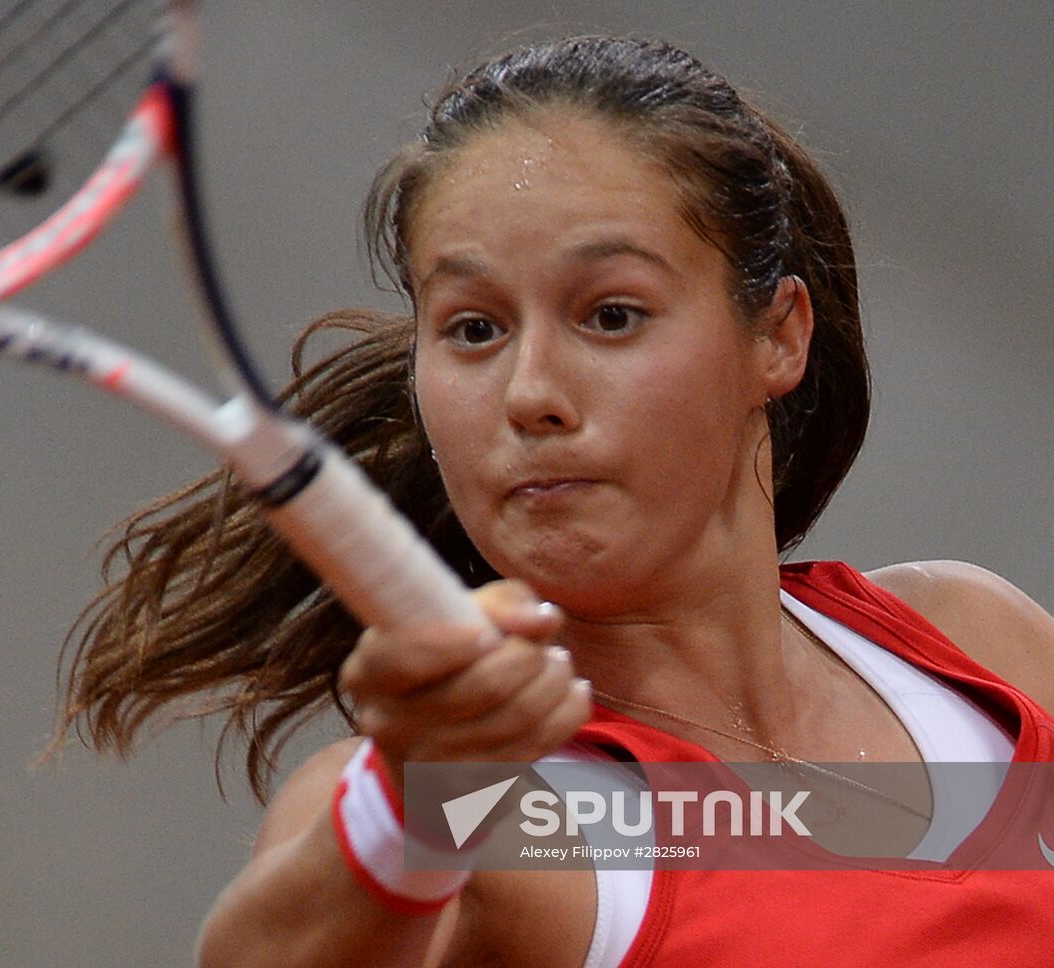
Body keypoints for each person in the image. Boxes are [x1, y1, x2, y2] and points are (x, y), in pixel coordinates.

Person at [56, 35, 1054, 967]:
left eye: (610, 314)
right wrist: (408, 801)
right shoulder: (479, 807)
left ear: (777, 335)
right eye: (473, 329)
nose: (529, 391)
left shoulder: (973, 650)